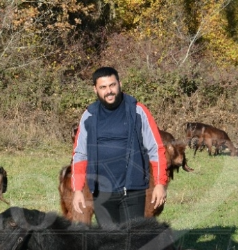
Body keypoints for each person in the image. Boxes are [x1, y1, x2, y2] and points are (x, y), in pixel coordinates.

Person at [71, 67, 168, 226]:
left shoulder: (137, 110)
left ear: (119, 84)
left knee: (133, 243)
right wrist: (77, 191)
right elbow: (80, 155)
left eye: (112, 85)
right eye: (103, 87)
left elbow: (155, 149)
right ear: (95, 89)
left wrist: (159, 184)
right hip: (101, 193)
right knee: (109, 244)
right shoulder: (89, 115)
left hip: (132, 191)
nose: (109, 91)